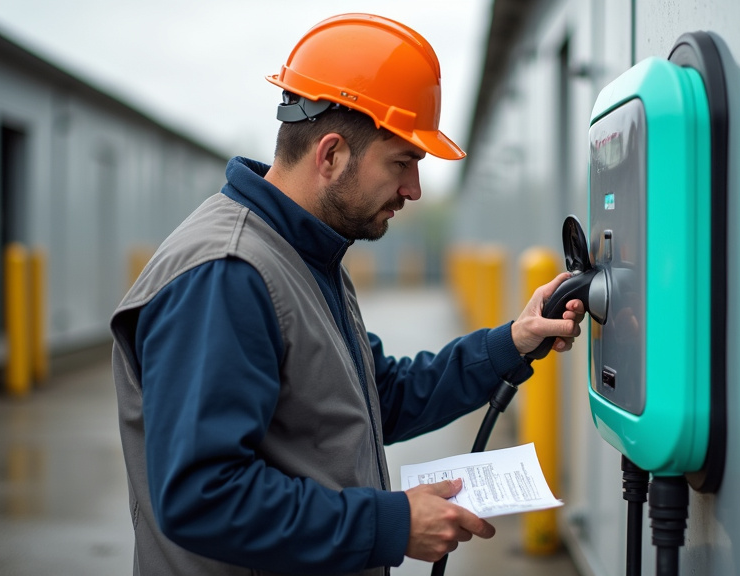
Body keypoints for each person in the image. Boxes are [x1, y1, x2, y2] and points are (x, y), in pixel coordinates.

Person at [110, 13, 585, 576]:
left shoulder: (305, 255)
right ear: (331, 155)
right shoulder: (225, 273)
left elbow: (373, 397)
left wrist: (511, 341)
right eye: (402, 162)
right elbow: (203, 496)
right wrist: (390, 523)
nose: (413, 190)